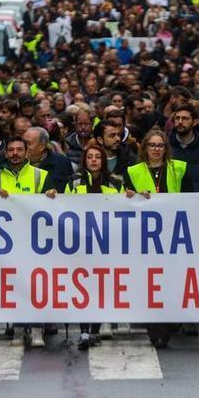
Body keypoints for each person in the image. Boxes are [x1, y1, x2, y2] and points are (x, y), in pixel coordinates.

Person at [125, 130, 193, 348]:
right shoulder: (133, 171)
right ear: (145, 148)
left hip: (174, 234)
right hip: (144, 237)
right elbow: (122, 199)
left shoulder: (179, 168)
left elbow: (192, 198)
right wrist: (130, 196)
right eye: (152, 145)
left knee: (171, 281)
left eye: (160, 145)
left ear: (166, 148)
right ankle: (156, 330)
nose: (156, 149)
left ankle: (170, 321)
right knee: (150, 283)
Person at [0, 136, 56, 348]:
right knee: (13, 284)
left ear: (27, 153)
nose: (15, 153)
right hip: (7, 242)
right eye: (11, 150)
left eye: (19, 149)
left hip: (35, 241)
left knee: (35, 284)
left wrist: (52, 195)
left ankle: (36, 329)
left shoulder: (41, 175)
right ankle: (17, 329)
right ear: (6, 153)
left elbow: (53, 205)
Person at [65, 144, 124, 351]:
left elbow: (123, 209)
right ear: (84, 160)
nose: (93, 160)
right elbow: (64, 209)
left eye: (97, 157)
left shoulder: (115, 182)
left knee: (101, 287)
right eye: (89, 157)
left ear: (103, 160)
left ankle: (96, 329)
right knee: (82, 287)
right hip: (81, 243)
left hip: (106, 243)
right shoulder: (74, 182)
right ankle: (83, 330)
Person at [168, 105, 199, 193]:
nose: (180, 122)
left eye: (185, 119)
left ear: (195, 122)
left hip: (198, 200)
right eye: (177, 118)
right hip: (171, 200)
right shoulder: (166, 146)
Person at [24, 127, 73, 193]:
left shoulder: (63, 163)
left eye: (28, 143)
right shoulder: (18, 163)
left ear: (42, 146)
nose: (23, 147)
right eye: (23, 143)